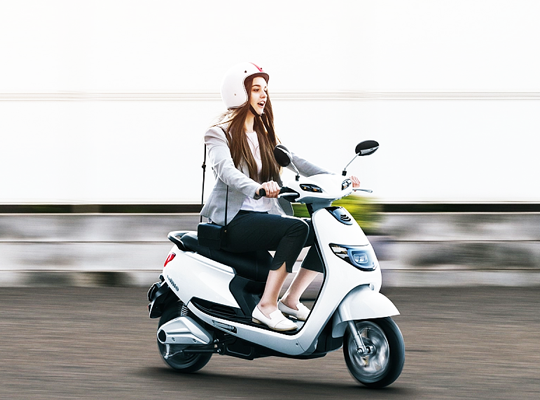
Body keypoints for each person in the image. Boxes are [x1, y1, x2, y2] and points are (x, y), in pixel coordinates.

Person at [201, 62, 360, 331]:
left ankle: (291, 299)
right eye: (256, 89)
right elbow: (226, 171)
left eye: (265, 89)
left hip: (263, 217)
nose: (264, 95)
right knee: (296, 229)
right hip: (234, 222)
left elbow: (298, 162)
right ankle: (266, 306)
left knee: (324, 230)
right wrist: (257, 188)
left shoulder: (266, 136)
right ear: (238, 93)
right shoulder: (218, 133)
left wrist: (337, 179)